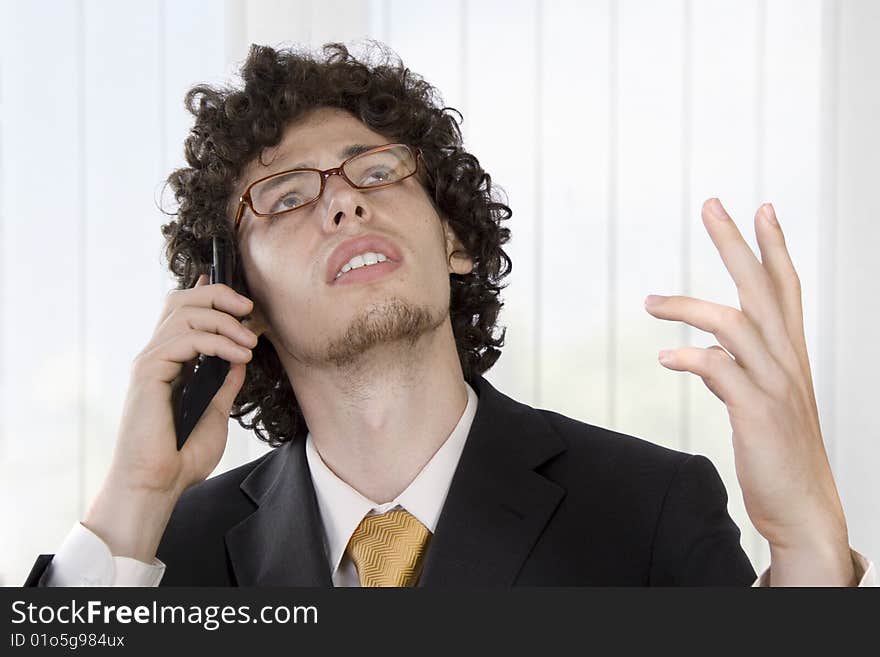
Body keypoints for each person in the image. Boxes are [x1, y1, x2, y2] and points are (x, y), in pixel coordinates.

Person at [26, 42, 874, 587]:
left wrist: (805, 544)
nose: (343, 205)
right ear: (238, 300)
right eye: (286, 198)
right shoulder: (165, 555)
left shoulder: (649, 506)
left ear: (457, 240)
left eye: (377, 171)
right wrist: (132, 501)